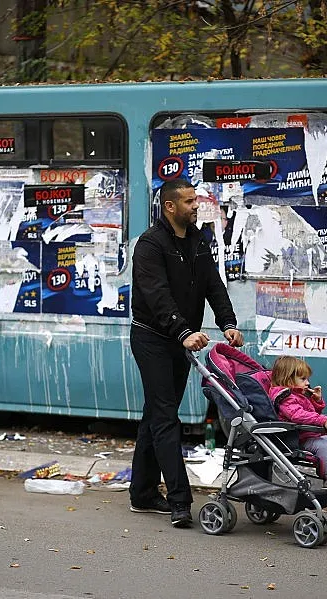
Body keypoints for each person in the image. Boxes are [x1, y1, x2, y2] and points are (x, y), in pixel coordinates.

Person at [129, 178, 244, 528]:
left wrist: (228, 322)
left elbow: (213, 284)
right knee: (166, 417)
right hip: (152, 338)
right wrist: (183, 331)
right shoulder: (150, 245)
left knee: (156, 413)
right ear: (170, 206)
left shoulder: (197, 240)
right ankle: (180, 501)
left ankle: (142, 494)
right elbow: (157, 294)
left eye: (196, 200)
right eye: (190, 201)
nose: (196, 206)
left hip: (181, 339)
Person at [269, 355, 327, 489]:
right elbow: (297, 415)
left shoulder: (298, 396)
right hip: (294, 439)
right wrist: (322, 421)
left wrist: (316, 401)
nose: (308, 383)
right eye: (303, 379)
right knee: (321, 445)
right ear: (288, 379)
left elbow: (311, 414)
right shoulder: (285, 398)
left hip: (306, 436)